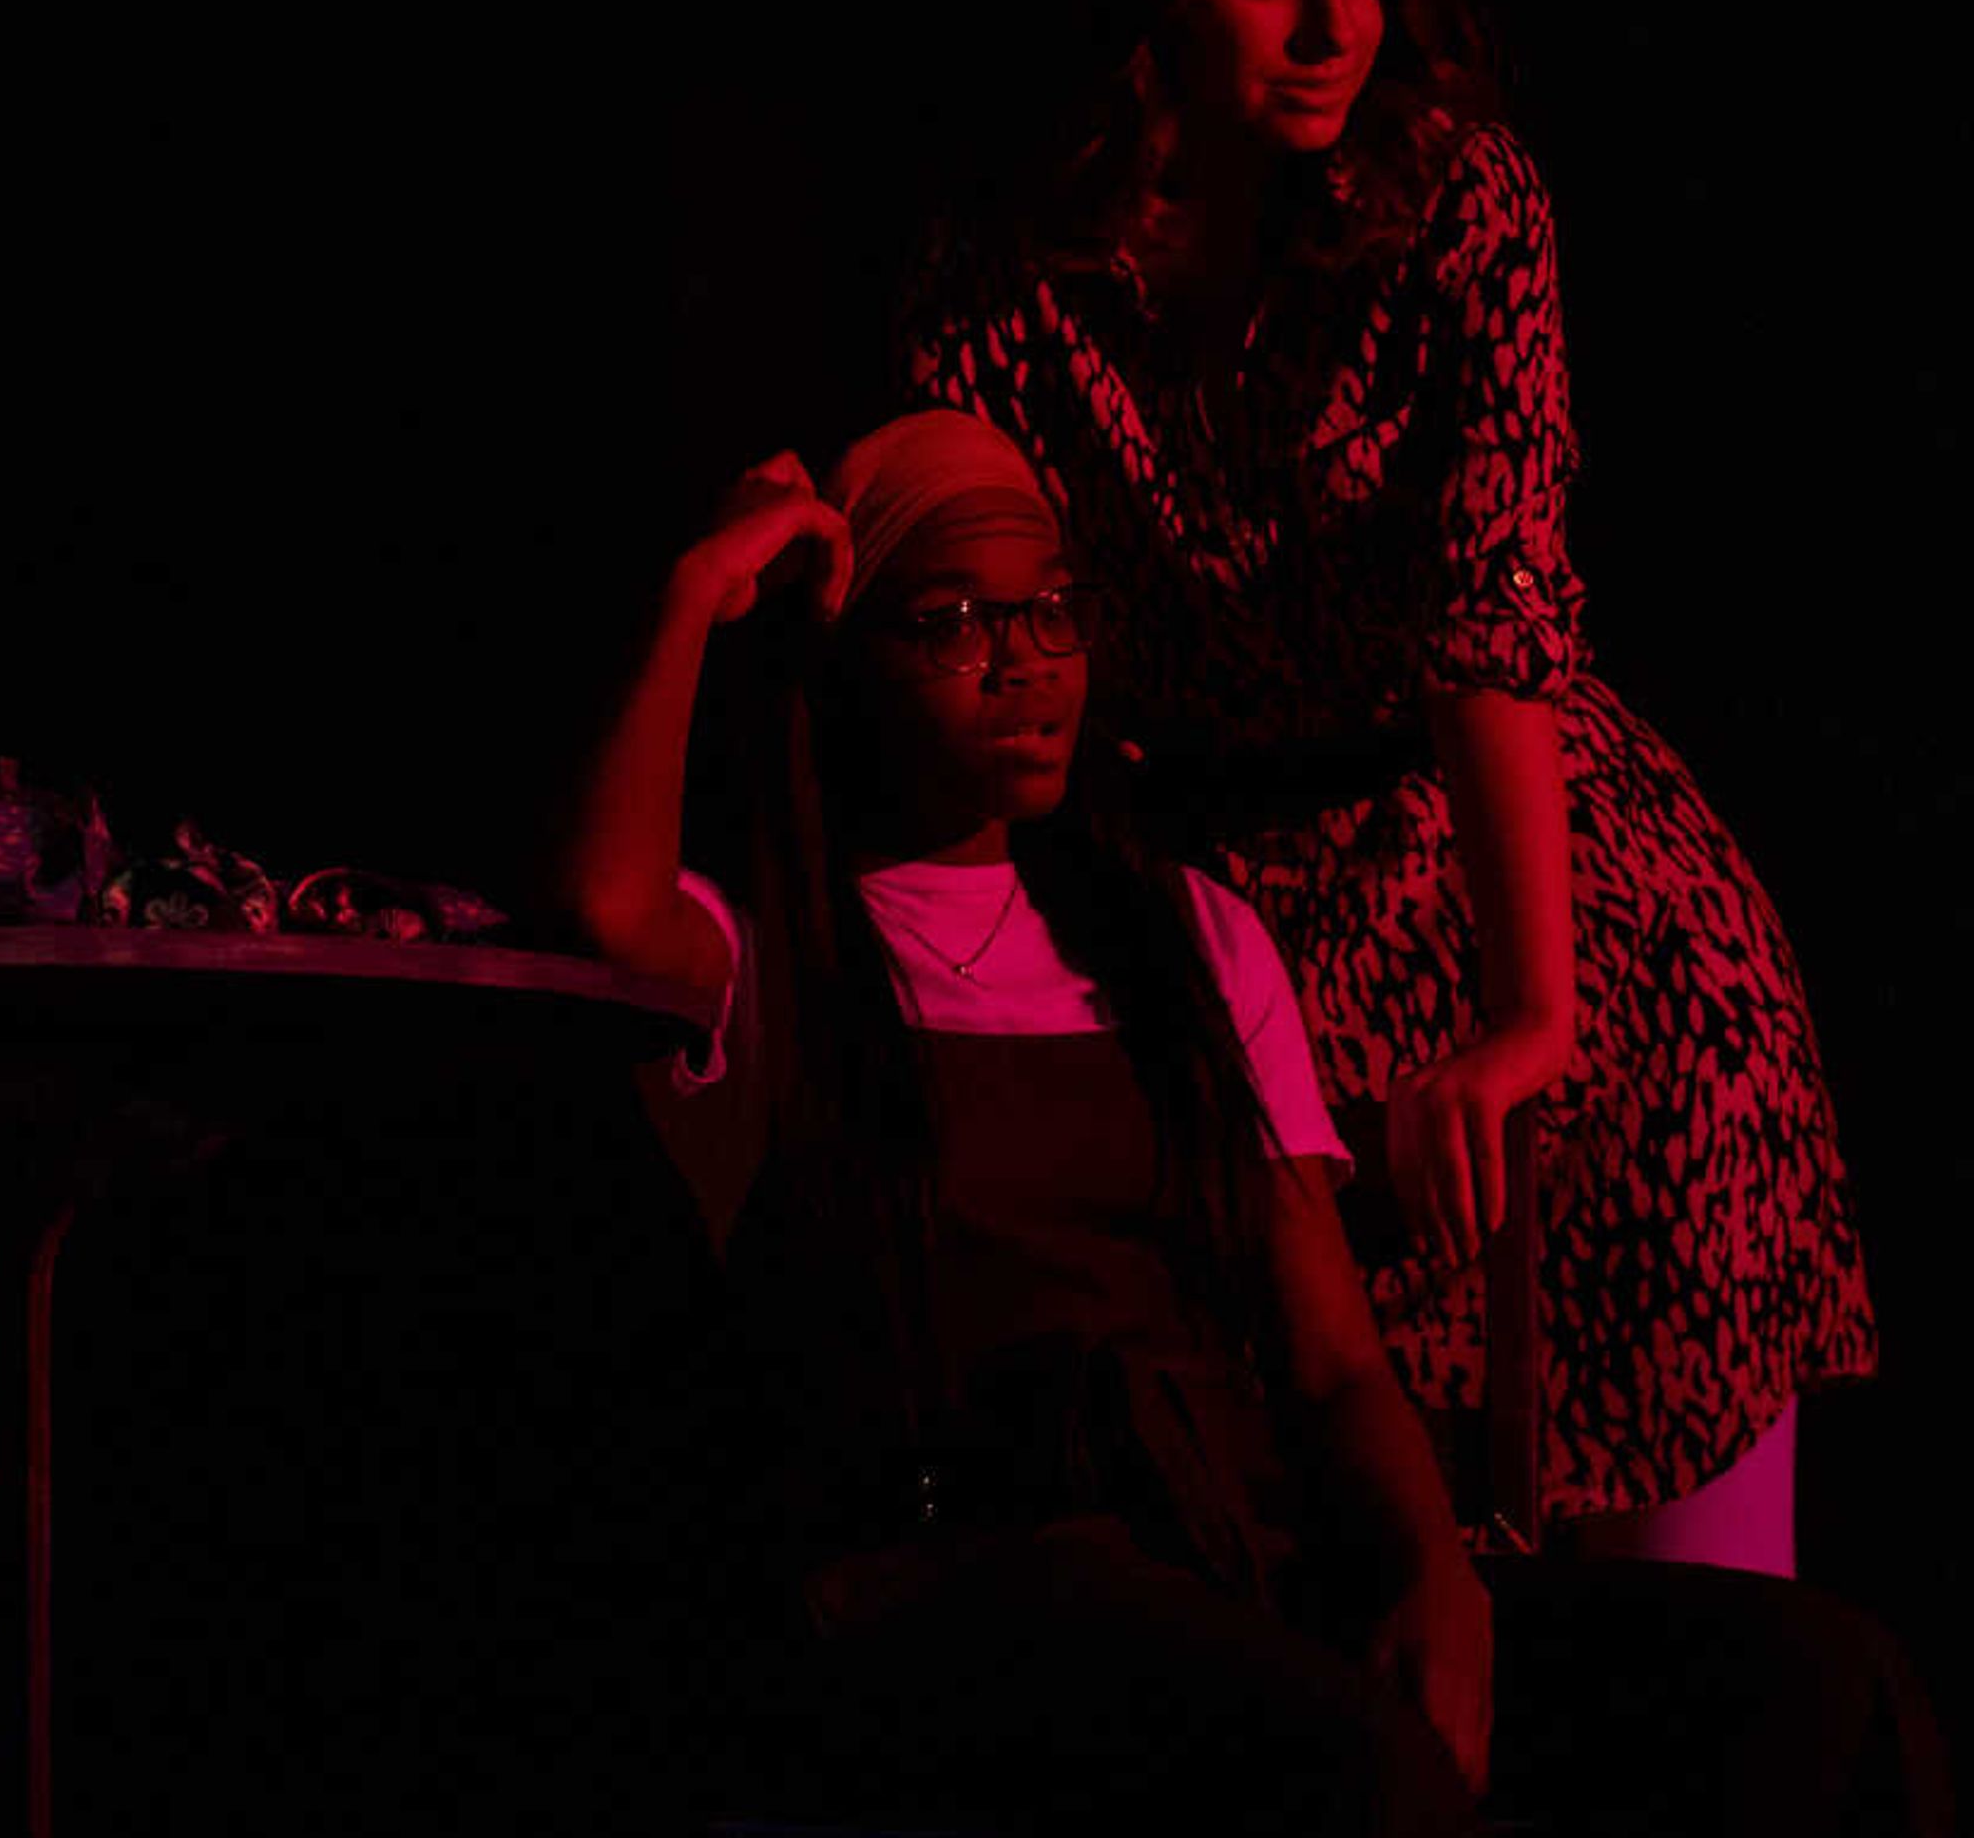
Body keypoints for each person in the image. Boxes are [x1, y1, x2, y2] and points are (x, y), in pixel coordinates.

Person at [558, 410, 1942, 1834]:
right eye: (952, 618)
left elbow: (1334, 1357)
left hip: (1234, 1549)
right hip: (972, 1576)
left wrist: (1436, 1576)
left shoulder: (1186, 939)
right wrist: (697, 590)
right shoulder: (783, 948)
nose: (1022, 658)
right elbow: (608, 904)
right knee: (1348, 1772)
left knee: (1817, 1690)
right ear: (847, 664)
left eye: (1052, 611)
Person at [894, 0, 1874, 1568]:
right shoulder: (1010, 260)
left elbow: (1491, 627)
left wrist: (1528, 1009)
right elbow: (971, 609)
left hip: (1524, 874)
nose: (1337, 27)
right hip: (1221, 905)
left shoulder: (1462, 209)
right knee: (1347, 1553)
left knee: (1686, 1593)